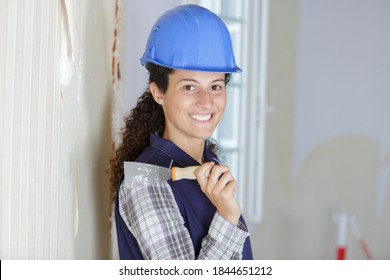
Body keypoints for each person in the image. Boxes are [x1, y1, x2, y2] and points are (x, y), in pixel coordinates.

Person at [110, 4, 253, 260]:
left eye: (216, 86)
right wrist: (228, 218)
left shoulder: (208, 164)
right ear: (158, 93)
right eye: (190, 87)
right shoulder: (146, 183)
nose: (207, 102)